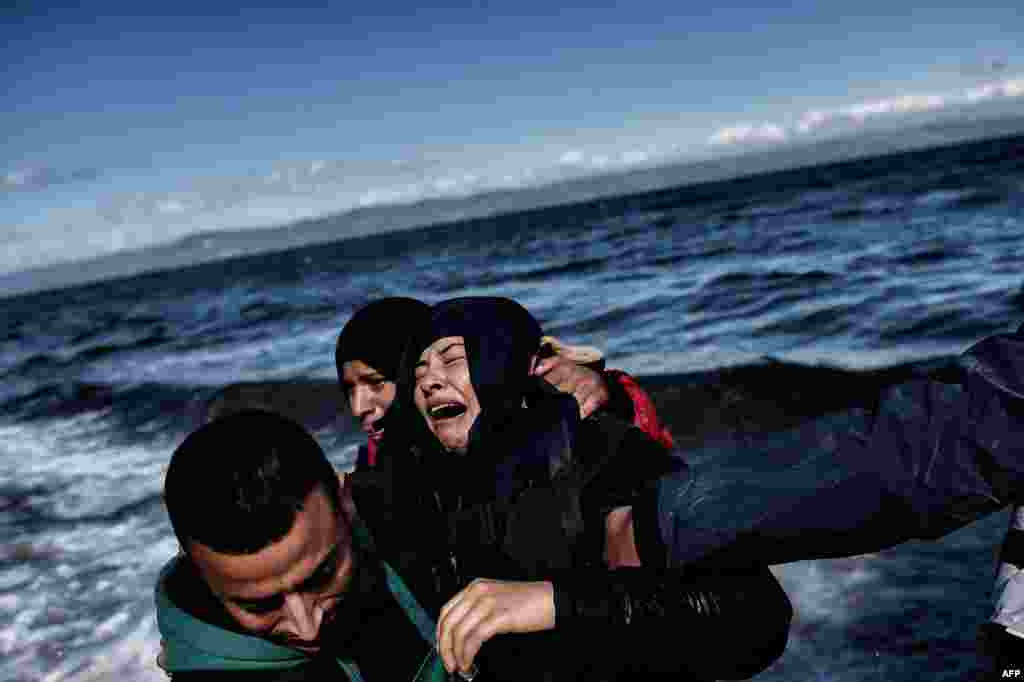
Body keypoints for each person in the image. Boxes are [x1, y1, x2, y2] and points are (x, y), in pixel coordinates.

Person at [368, 296, 791, 680]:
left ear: (501, 359)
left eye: (452, 359)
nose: (429, 382)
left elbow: (754, 615)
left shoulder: (596, 450)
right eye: (419, 372)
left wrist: (556, 604)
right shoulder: (444, 489)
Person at [155, 409, 449, 680]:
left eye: (322, 576)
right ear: (202, 578)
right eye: (261, 606)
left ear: (347, 503)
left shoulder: (428, 512)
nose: (307, 629)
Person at [335, 297, 673, 471]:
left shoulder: (535, 426)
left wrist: (608, 390)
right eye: (348, 389)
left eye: (376, 382)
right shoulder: (380, 463)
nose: (358, 407)